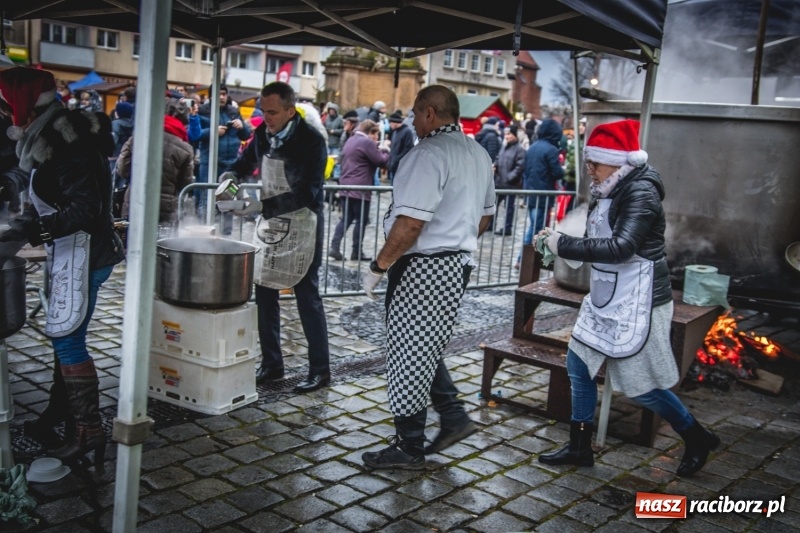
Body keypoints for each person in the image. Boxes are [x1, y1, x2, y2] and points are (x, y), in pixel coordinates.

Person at [536, 119, 719, 477]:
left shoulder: (641, 192)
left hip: (641, 300)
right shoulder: (608, 186)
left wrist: (563, 244)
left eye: (595, 162)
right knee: (578, 365)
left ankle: (696, 436)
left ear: (620, 161)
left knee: (639, 385)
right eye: (588, 162)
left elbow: (621, 247)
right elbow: (593, 235)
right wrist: (558, 241)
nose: (589, 169)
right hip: (606, 295)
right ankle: (580, 447)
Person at [360, 85, 495, 469]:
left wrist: (378, 266)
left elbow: (411, 223)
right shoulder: (478, 153)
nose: (414, 122)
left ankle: (409, 446)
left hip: (423, 267)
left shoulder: (427, 154)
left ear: (431, 113)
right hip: (455, 265)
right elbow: (484, 217)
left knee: (408, 352)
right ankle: (452, 417)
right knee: (423, 346)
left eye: (417, 114)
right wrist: (458, 237)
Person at [0, 67, 125, 465]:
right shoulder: (47, 133)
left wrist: (34, 229)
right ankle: (61, 414)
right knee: (63, 334)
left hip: (87, 252)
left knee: (68, 340)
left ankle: (88, 432)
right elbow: (44, 187)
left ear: (20, 104)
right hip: (71, 248)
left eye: (4, 104)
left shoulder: (67, 141)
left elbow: (86, 208)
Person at [225, 81, 331, 393]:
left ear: (290, 110)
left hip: (302, 222)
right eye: (262, 111)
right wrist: (230, 176)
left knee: (307, 296)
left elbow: (307, 191)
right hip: (271, 223)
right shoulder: (262, 134)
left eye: (272, 112)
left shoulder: (312, 141)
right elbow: (244, 163)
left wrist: (260, 205)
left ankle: (320, 370)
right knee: (264, 290)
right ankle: (272, 363)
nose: (266, 117)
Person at [118, 98, 194, 227]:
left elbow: (122, 169)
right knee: (160, 245)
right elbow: (185, 185)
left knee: (131, 243)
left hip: (135, 200)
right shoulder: (185, 148)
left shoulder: (139, 137)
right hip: (165, 208)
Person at [328, 120, 389, 262]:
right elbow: (380, 160)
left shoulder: (351, 139)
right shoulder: (366, 142)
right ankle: (356, 251)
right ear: (370, 132)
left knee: (346, 218)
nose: (376, 138)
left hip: (346, 186)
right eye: (375, 134)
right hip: (360, 188)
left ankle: (334, 247)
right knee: (361, 221)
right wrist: (385, 150)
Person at [196, 85, 250, 229]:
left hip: (231, 164)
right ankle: (204, 231)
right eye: (217, 94)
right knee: (206, 200)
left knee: (228, 200)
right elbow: (195, 135)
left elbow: (246, 135)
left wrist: (242, 126)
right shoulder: (203, 111)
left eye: (224, 94)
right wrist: (212, 131)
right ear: (210, 96)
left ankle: (226, 233)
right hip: (209, 162)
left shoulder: (233, 111)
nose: (221, 97)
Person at [516, 118, 564, 267]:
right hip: (542, 194)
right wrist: (562, 170)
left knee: (535, 226)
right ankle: (523, 259)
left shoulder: (533, 146)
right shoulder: (550, 149)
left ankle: (534, 259)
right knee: (536, 228)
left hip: (531, 193)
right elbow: (556, 172)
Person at [493, 125, 526, 236]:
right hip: (499, 182)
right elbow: (498, 159)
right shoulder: (504, 147)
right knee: (493, 205)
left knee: (509, 208)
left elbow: (520, 167)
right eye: (506, 134)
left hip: (510, 184)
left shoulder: (520, 150)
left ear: (515, 136)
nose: (506, 136)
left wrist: (509, 178)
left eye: (509, 134)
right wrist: (495, 166)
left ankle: (507, 228)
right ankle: (490, 225)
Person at [387, 111, 415, 183]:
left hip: (400, 168)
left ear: (394, 123)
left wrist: (396, 160)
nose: (389, 125)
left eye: (390, 123)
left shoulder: (407, 132)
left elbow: (408, 149)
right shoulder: (395, 132)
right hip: (394, 167)